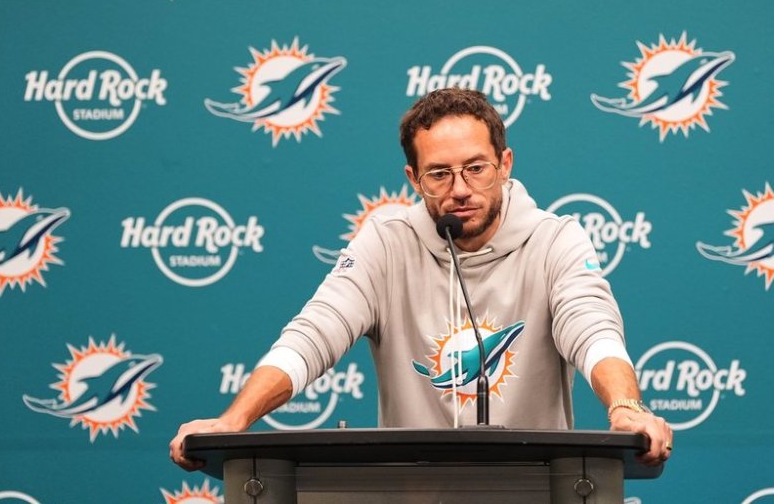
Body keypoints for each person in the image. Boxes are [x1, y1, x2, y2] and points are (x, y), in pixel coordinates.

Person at [170, 88, 673, 469]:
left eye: (476, 168)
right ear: (413, 179)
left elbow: (592, 329)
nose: (460, 190)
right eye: (439, 174)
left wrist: (625, 407)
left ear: (505, 163)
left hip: (533, 485)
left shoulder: (556, 240)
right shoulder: (385, 243)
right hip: (409, 489)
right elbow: (313, 335)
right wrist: (234, 420)